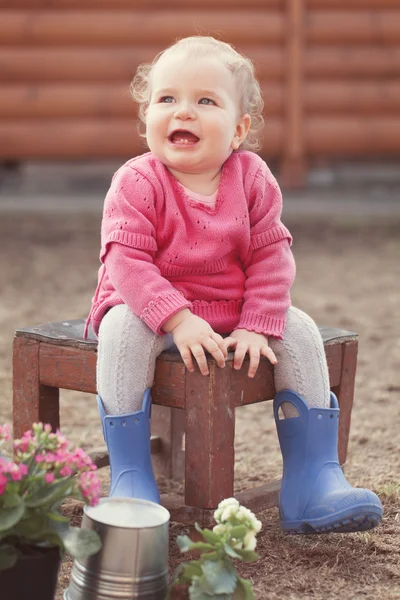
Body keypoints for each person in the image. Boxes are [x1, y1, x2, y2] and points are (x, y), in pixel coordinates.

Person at [85, 36, 382, 534]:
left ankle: (313, 481)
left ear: (239, 129)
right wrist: (176, 319)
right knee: (120, 331)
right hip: (148, 308)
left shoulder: (253, 178)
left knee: (299, 326)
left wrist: (258, 325)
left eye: (206, 101)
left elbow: (270, 255)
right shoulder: (137, 181)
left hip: (230, 306)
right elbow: (126, 261)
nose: (184, 112)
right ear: (147, 119)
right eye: (167, 99)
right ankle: (131, 480)